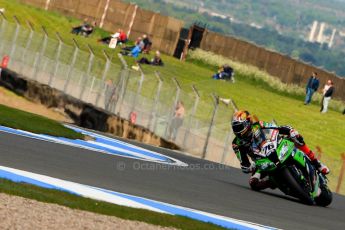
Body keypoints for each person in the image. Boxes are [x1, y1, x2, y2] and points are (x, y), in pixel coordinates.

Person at [231, 110, 329, 191]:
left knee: (297, 138)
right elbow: (244, 163)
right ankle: (273, 182)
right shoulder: (236, 144)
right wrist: (249, 167)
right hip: (261, 163)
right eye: (235, 128)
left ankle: (317, 163)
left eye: (239, 127)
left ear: (248, 123)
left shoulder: (259, 125)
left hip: (275, 148)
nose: (237, 130)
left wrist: (290, 131)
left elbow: (277, 128)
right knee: (253, 184)